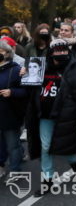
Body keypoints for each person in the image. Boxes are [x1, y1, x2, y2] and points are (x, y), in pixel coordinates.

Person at [26, 39, 76, 197]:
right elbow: (30, 89)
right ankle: (48, 179)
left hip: (66, 114)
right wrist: (25, 75)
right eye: (57, 50)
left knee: (66, 144)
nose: (61, 53)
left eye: (64, 50)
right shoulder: (41, 67)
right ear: (51, 52)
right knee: (45, 147)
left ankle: (75, 165)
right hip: (45, 115)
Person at [0, 41, 27, 174]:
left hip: (10, 113)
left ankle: (15, 169)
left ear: (7, 53)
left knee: (12, 145)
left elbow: (25, 91)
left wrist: (12, 92)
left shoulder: (16, 70)